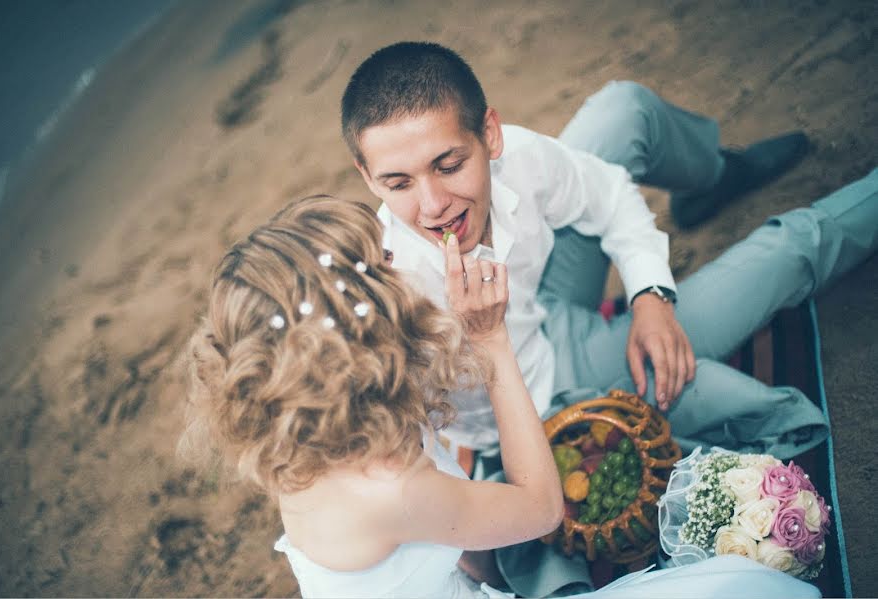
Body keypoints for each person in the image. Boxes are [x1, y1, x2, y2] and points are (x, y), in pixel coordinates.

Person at [340, 41, 878, 595]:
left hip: (548, 298)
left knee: (622, 111)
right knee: (786, 251)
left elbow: (609, 194)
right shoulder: (386, 293)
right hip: (539, 393)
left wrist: (649, 295)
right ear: (367, 175)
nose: (431, 206)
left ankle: (716, 174)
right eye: (397, 183)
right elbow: (401, 447)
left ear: (490, 135)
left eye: (448, 165)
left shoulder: (516, 155)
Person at [183, 195, 821, 599]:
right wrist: (490, 341)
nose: (399, 261)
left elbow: (433, 535)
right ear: (365, 313)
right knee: (762, 589)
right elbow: (542, 509)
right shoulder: (393, 488)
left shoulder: (302, 428)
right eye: (382, 262)